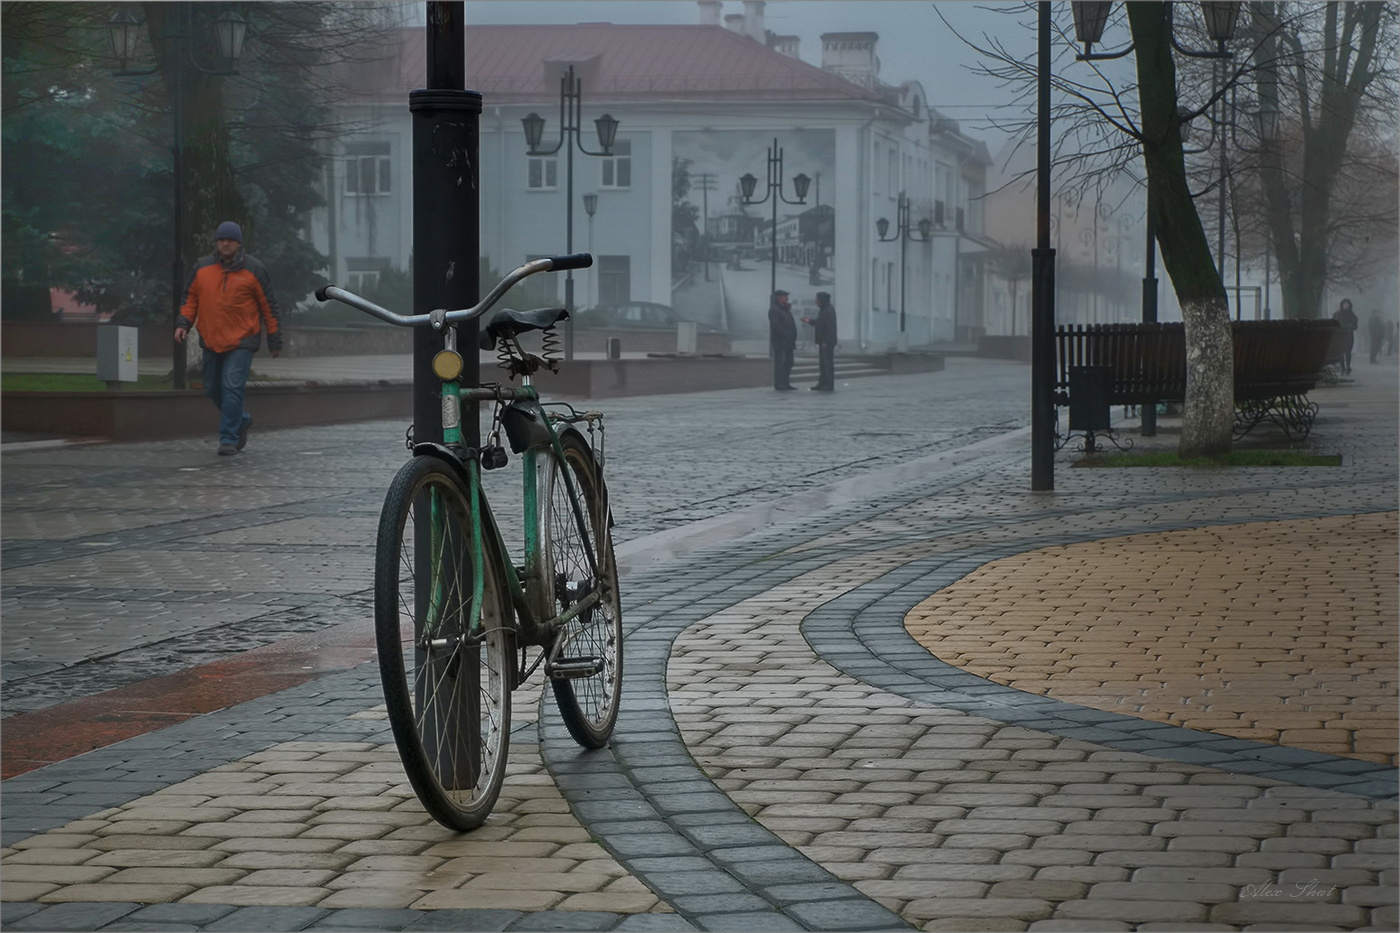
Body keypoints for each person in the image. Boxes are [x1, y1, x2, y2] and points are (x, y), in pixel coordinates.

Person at [174, 221, 282, 456]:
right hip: (212, 339)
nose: (225, 243)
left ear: (238, 243)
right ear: (217, 243)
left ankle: (228, 439)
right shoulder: (202, 268)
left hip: (243, 340)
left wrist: (274, 339)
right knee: (213, 388)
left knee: (231, 386)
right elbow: (190, 299)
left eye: (230, 240)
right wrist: (183, 324)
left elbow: (269, 306)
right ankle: (241, 419)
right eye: (221, 239)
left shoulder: (254, 269)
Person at [803, 291, 837, 391]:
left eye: (817, 299)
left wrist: (826, 341)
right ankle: (822, 383)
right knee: (823, 364)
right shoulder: (824, 310)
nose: (816, 301)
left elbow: (829, 327)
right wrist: (809, 321)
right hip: (823, 341)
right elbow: (820, 323)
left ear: (822, 300)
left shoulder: (828, 311)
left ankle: (828, 384)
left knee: (827, 363)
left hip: (827, 342)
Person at [768, 289, 797, 391]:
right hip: (781, 341)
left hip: (788, 341)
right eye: (785, 297)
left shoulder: (785, 309)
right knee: (780, 362)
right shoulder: (775, 310)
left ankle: (785, 382)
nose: (787, 299)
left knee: (789, 362)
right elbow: (777, 326)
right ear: (779, 298)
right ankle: (780, 383)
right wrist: (786, 335)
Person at [1332, 298, 1358, 374]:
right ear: (1342, 305)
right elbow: (1334, 324)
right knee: (1340, 352)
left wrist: (1351, 326)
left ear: (1350, 306)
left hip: (1349, 335)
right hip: (1340, 336)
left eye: (1347, 304)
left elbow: (1355, 326)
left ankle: (1348, 366)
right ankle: (1342, 367)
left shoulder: (1352, 315)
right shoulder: (1337, 314)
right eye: (1345, 304)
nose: (1346, 306)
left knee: (1348, 352)